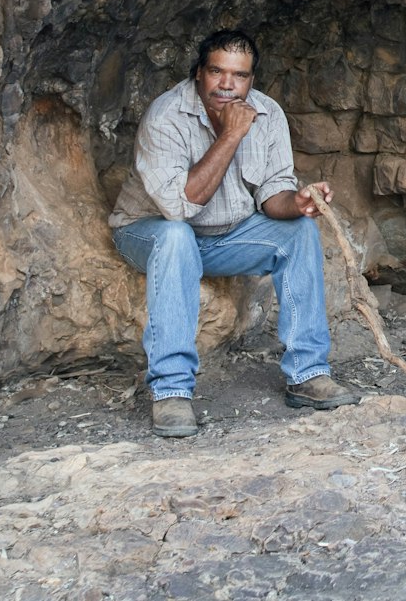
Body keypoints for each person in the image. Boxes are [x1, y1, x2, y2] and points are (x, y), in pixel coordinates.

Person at [108, 28, 361, 436]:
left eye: (239, 76)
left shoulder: (267, 112)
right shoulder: (166, 115)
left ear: (251, 80)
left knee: (299, 231)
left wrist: (297, 202)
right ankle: (171, 391)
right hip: (149, 234)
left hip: (223, 238)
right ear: (198, 75)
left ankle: (308, 374)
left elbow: (272, 194)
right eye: (217, 72)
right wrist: (231, 134)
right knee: (177, 236)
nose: (227, 84)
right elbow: (179, 207)